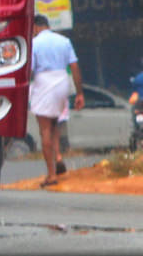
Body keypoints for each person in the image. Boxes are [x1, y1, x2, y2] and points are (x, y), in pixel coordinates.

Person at [30, 14, 84, 188]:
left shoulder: (35, 44)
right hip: (62, 80)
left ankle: (51, 174)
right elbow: (74, 66)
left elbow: (30, 70)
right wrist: (79, 93)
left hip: (44, 81)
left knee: (44, 128)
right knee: (55, 124)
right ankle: (58, 156)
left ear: (36, 27)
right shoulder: (64, 41)